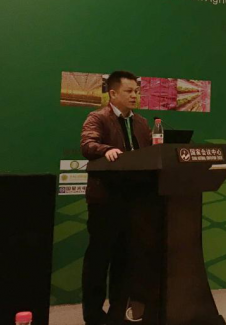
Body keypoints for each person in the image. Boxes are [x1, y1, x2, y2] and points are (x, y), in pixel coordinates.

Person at [81, 71, 152, 325]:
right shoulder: (97, 117)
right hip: (105, 201)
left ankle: (117, 312)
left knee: (125, 259)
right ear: (113, 93)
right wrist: (106, 149)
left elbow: (149, 155)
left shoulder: (142, 123)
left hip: (134, 202)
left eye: (136, 91)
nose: (134, 96)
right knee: (99, 259)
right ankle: (93, 315)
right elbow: (87, 144)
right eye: (129, 91)